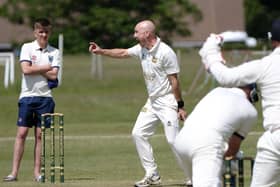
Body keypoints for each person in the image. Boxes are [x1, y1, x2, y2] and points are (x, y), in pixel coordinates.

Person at [89, 20, 187, 187]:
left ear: (147, 33)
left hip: (168, 101)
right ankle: (152, 175)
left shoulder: (165, 52)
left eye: (136, 32)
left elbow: (174, 81)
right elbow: (123, 53)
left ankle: (194, 176)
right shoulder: (142, 49)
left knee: (173, 140)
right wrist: (101, 51)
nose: (134, 35)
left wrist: (180, 106)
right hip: (152, 101)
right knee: (138, 133)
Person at [199, 18, 280, 186]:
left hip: (275, 138)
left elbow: (226, 78)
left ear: (272, 40)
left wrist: (211, 53)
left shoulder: (265, 64)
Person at [3, 18, 61, 182]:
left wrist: (38, 69)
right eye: (40, 31)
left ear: (50, 33)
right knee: (21, 133)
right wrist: (46, 68)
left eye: (46, 32)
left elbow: (54, 75)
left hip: (45, 98)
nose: (43, 35)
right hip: (27, 96)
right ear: (35, 32)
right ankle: (14, 173)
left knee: (40, 136)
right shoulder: (27, 47)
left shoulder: (54, 52)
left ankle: (37, 173)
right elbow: (25, 70)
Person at [174, 85, 258, 186]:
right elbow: (231, 151)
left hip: (181, 140)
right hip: (206, 145)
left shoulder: (217, 91)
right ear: (252, 92)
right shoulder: (250, 111)